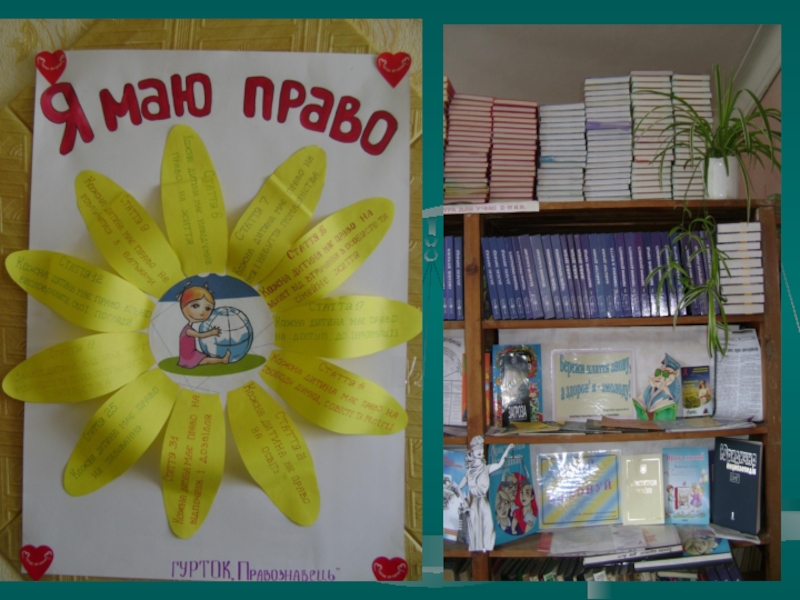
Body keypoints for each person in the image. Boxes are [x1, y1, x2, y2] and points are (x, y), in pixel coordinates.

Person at [457, 436, 514, 552]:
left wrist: (508, 449)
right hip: (474, 504)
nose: (480, 451)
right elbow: (458, 488)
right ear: (472, 452)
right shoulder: (469, 473)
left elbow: (500, 464)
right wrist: (465, 503)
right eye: (477, 449)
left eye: (481, 448)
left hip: (484, 502)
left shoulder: (486, 468)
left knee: (488, 525)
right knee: (475, 528)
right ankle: (477, 549)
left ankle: (487, 547)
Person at [176, 282, 230, 368]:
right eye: (195, 306)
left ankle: (223, 360)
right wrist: (212, 332)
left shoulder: (189, 328)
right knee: (206, 360)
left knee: (205, 359)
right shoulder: (188, 330)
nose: (201, 313)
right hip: (188, 356)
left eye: (207, 308)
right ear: (183, 307)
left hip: (192, 353)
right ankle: (223, 360)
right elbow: (200, 335)